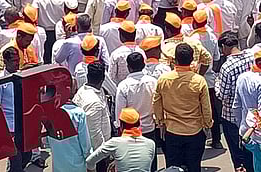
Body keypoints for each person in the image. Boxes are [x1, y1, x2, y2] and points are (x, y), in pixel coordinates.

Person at [153, 43, 212, 172]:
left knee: (173, 168)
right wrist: (207, 124)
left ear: (175, 59)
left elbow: (156, 103)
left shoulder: (163, 79)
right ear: (191, 59)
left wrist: (160, 122)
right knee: (194, 167)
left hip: (172, 131)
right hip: (194, 131)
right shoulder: (199, 80)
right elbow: (206, 107)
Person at [87, 108, 156, 172]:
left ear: (121, 125)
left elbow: (89, 161)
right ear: (139, 124)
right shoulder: (151, 144)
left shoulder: (114, 143)